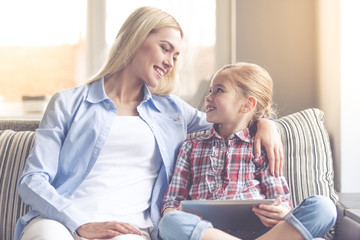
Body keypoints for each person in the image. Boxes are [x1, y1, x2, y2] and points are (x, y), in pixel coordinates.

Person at [14, 7, 283, 240]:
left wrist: (266, 122)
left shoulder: (173, 111)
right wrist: (81, 223)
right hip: (61, 222)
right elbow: (33, 180)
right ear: (134, 39)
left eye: (175, 56)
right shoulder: (68, 103)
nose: (169, 63)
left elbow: (233, 121)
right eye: (165, 48)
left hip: (129, 228)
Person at [158, 62, 337, 240]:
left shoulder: (261, 146)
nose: (208, 97)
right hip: (208, 233)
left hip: (263, 232)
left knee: (324, 207)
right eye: (210, 90)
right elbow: (172, 201)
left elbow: (280, 199)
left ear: (246, 105)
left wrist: (281, 210)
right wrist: (175, 212)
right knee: (170, 222)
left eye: (218, 90)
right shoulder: (190, 147)